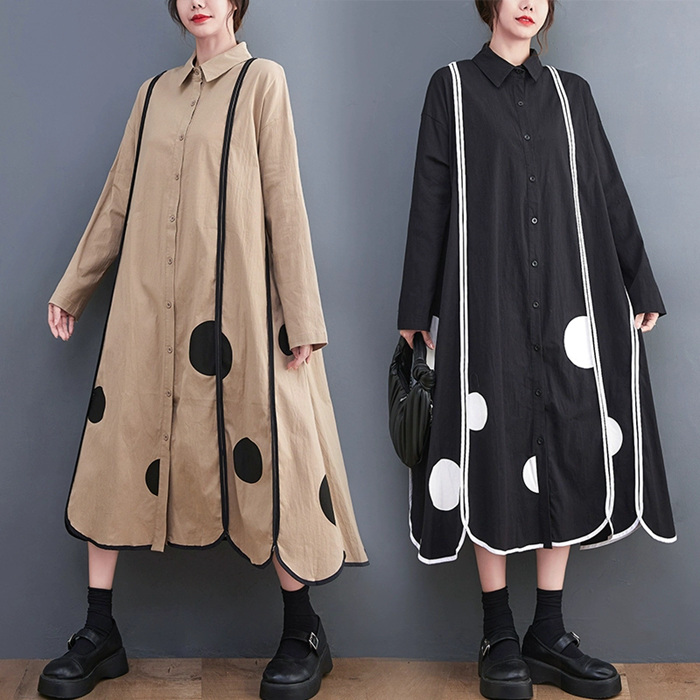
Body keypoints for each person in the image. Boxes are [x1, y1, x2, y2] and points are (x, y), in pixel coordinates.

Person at [41, 1, 367, 698]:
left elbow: (284, 199)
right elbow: (118, 197)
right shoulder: (153, 94)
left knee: (270, 447)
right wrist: (74, 288)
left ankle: (304, 630)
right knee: (119, 441)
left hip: (238, 311)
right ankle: (99, 632)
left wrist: (302, 316)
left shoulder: (263, 81)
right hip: (149, 309)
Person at [397, 1, 675, 698]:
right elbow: (431, 198)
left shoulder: (571, 95)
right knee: (487, 447)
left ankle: (548, 631)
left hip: (568, 304)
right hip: (483, 304)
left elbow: (605, 190)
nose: (528, 3)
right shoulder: (452, 89)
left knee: (568, 439)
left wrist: (639, 281)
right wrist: (415, 312)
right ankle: (498, 631)